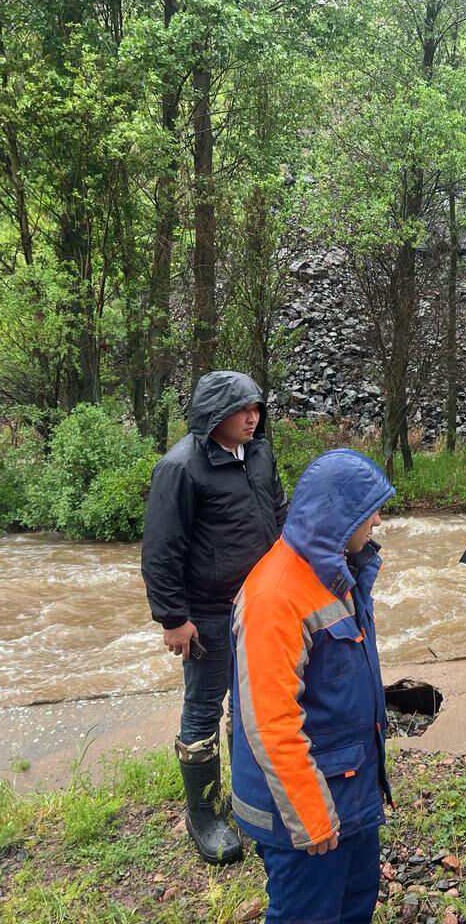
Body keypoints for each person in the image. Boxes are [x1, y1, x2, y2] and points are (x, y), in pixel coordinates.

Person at [230, 449, 394, 924]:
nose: (379, 520)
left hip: (350, 792)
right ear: (340, 517)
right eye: (371, 511)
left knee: (354, 905)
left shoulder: (336, 571)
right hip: (306, 811)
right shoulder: (274, 597)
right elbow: (269, 720)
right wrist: (310, 815)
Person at [142, 370, 288, 864]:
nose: (253, 418)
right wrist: (172, 618)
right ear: (213, 416)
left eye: (257, 408)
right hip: (206, 613)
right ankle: (204, 814)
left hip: (261, 605)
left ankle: (246, 796)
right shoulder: (180, 467)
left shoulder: (261, 453)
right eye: (242, 410)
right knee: (204, 708)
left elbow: (280, 514)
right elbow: (161, 550)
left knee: (250, 706)